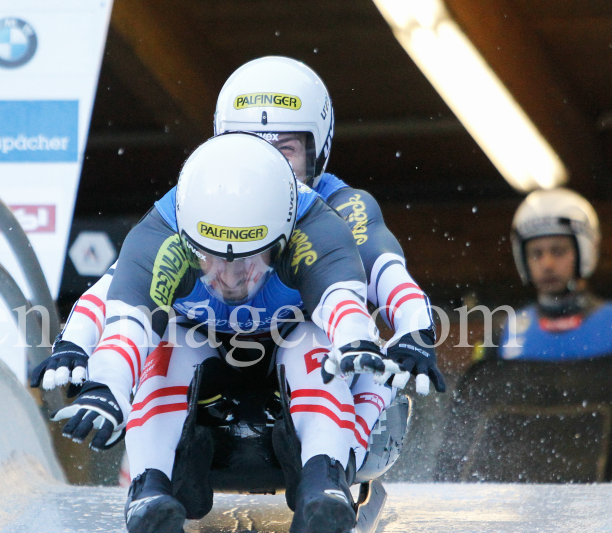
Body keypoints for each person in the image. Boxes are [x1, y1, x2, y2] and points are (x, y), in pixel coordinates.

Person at [33, 57, 444, 468]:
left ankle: (335, 458)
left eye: (285, 149)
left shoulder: (339, 210)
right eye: (248, 141)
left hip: (303, 354)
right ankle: (158, 472)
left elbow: (387, 271)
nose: (264, 163)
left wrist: (414, 330)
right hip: (205, 357)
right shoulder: (189, 205)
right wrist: (80, 348)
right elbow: (124, 283)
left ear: (318, 150)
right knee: (169, 344)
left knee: (343, 347)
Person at [50, 132, 402, 533]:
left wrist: (358, 340)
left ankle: (321, 476)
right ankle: (153, 486)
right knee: (169, 342)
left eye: (249, 260)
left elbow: (342, 300)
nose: (231, 279)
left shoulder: (319, 226)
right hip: (203, 365)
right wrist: (108, 385)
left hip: (288, 361)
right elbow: (128, 317)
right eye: (211, 257)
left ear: (283, 237)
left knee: (315, 340)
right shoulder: (159, 237)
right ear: (187, 238)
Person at [478, 187, 612, 478]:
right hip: (518, 498)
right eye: (536, 253)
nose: (547, 263)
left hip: (605, 499)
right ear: (522, 259)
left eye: (559, 251)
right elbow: (477, 425)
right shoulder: (501, 333)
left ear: (584, 250)